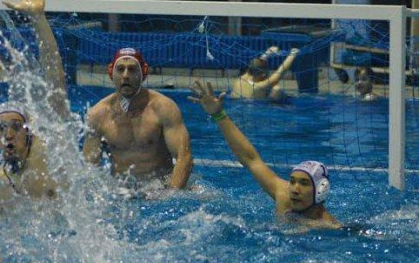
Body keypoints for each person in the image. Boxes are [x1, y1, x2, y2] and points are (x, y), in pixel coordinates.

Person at [189, 79, 341, 229]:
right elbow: (250, 159)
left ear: (321, 190)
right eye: (292, 181)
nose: (294, 189)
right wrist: (218, 114)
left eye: (304, 183)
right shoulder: (283, 195)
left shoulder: (329, 228)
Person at [0, 0, 68, 199]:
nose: (8, 135)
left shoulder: (49, 152)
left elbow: (55, 79)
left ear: (29, 131)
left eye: (16, 127)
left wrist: (38, 18)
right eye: (1, 128)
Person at [82, 48, 192, 189]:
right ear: (111, 72)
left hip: (160, 191)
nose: (125, 75)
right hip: (121, 194)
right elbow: (89, 169)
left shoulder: (164, 108)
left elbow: (184, 157)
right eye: (120, 69)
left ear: (144, 72)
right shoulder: (98, 115)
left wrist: (171, 195)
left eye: (132, 69)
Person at [231, 45, 300, 101]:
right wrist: (293, 54)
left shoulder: (238, 81)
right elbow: (279, 73)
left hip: (239, 105)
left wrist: (267, 53)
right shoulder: (259, 87)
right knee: (277, 90)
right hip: (257, 108)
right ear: (263, 75)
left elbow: (255, 66)